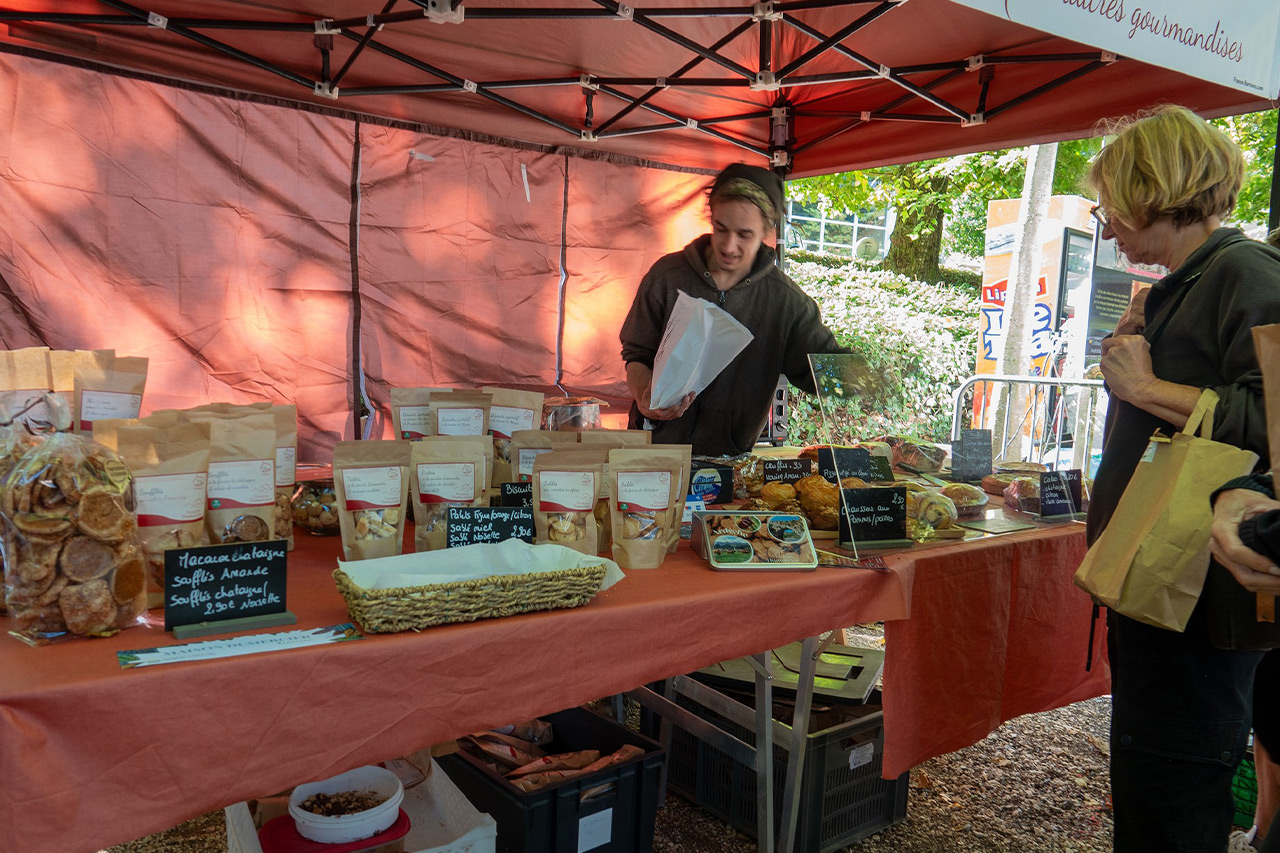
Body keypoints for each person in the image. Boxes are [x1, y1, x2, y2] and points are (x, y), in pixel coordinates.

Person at [1084, 105, 1280, 852]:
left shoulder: (1244, 272)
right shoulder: (1192, 279)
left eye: (1109, 206)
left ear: (1151, 189)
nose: (1107, 227)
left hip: (1202, 597)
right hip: (1166, 586)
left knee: (1173, 787)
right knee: (1150, 775)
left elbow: (1274, 418)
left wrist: (1148, 390)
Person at [619, 163, 845, 457]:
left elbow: (822, 372)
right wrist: (643, 395)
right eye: (721, 228)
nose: (728, 245)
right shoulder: (667, 276)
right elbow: (636, 355)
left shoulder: (785, 302)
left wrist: (862, 378)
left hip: (727, 464)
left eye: (744, 234)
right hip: (651, 452)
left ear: (767, 230)